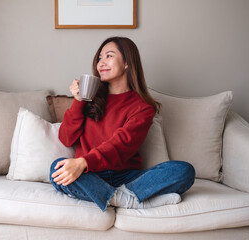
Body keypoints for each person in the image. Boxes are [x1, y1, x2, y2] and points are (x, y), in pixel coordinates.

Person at [49, 36, 195, 212]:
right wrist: (79, 100)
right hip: (90, 175)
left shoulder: (142, 107)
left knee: (183, 170)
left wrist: (82, 162)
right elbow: (66, 138)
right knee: (56, 168)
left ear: (127, 62)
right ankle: (126, 199)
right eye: (99, 58)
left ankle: (108, 196)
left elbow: (121, 145)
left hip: (127, 177)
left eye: (109, 56)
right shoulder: (90, 97)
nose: (101, 63)